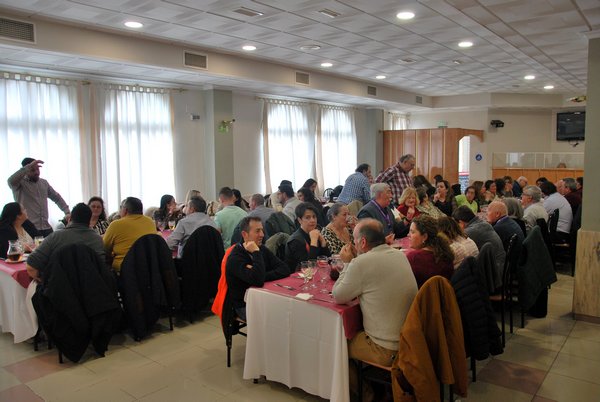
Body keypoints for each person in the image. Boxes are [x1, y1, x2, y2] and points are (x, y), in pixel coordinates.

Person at [333, 218, 417, 402]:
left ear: (363, 242)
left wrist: (347, 264)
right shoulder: (398, 254)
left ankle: (367, 394)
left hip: (386, 348)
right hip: (411, 339)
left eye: (355, 240)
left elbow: (338, 296)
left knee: (334, 345)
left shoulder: (361, 263)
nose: (353, 244)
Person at [226, 217, 290, 321]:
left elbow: (285, 269)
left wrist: (261, 274)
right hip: (245, 305)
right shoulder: (235, 258)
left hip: (265, 297)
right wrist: (256, 253)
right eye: (257, 231)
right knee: (278, 317)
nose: (262, 235)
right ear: (244, 234)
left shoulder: (262, 249)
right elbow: (258, 280)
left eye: (262, 230)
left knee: (289, 311)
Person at [26, 203, 106, 282]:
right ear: (89, 221)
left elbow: (31, 267)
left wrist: (45, 282)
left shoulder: (55, 237)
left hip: (58, 287)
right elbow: (100, 269)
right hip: (90, 287)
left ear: (69, 219)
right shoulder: (98, 240)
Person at [7, 158, 70, 236]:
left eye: (37, 169)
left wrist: (67, 212)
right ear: (26, 170)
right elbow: (10, 181)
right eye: (32, 170)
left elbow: (57, 198)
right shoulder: (18, 184)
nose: (36, 172)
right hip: (28, 229)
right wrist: (28, 167)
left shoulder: (44, 183)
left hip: (46, 227)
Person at [103, 197, 157, 273]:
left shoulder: (116, 224)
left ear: (125, 210)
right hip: (148, 268)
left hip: (124, 270)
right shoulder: (150, 222)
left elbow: (104, 248)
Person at [452, 206, 506, 279]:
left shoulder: (470, 231)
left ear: (461, 223)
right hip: (500, 265)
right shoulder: (483, 223)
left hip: (493, 273)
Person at [404, 215, 454, 287]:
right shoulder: (445, 252)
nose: (408, 235)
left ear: (424, 236)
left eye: (412, 232)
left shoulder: (414, 258)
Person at [284, 202, 330, 271]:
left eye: (314, 217)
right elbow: (308, 267)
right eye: (308, 218)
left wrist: (323, 244)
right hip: (298, 275)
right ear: (300, 220)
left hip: (318, 272)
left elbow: (328, 261)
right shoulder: (295, 241)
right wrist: (313, 242)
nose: (312, 220)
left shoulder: (316, 232)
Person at [486, 201, 525, 267]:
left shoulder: (498, 228)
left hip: (508, 265)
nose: (486, 215)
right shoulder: (510, 221)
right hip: (518, 260)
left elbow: (493, 250)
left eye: (488, 212)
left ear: (497, 214)